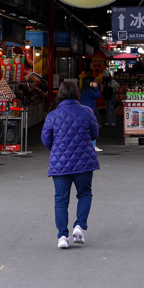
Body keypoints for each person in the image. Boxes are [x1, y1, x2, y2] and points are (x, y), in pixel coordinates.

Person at [41, 80, 100, 249]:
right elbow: (94, 133)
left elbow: (46, 139)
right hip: (84, 162)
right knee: (85, 194)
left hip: (60, 165)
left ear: (60, 94)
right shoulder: (87, 112)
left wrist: (58, 150)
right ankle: (80, 226)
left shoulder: (52, 115)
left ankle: (62, 237)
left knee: (60, 200)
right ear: (77, 94)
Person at [80, 78, 103, 152]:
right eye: (91, 82)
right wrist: (95, 87)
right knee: (92, 127)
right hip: (90, 110)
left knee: (83, 128)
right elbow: (98, 95)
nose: (92, 83)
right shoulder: (89, 91)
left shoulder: (81, 91)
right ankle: (94, 145)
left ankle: (83, 145)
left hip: (82, 110)